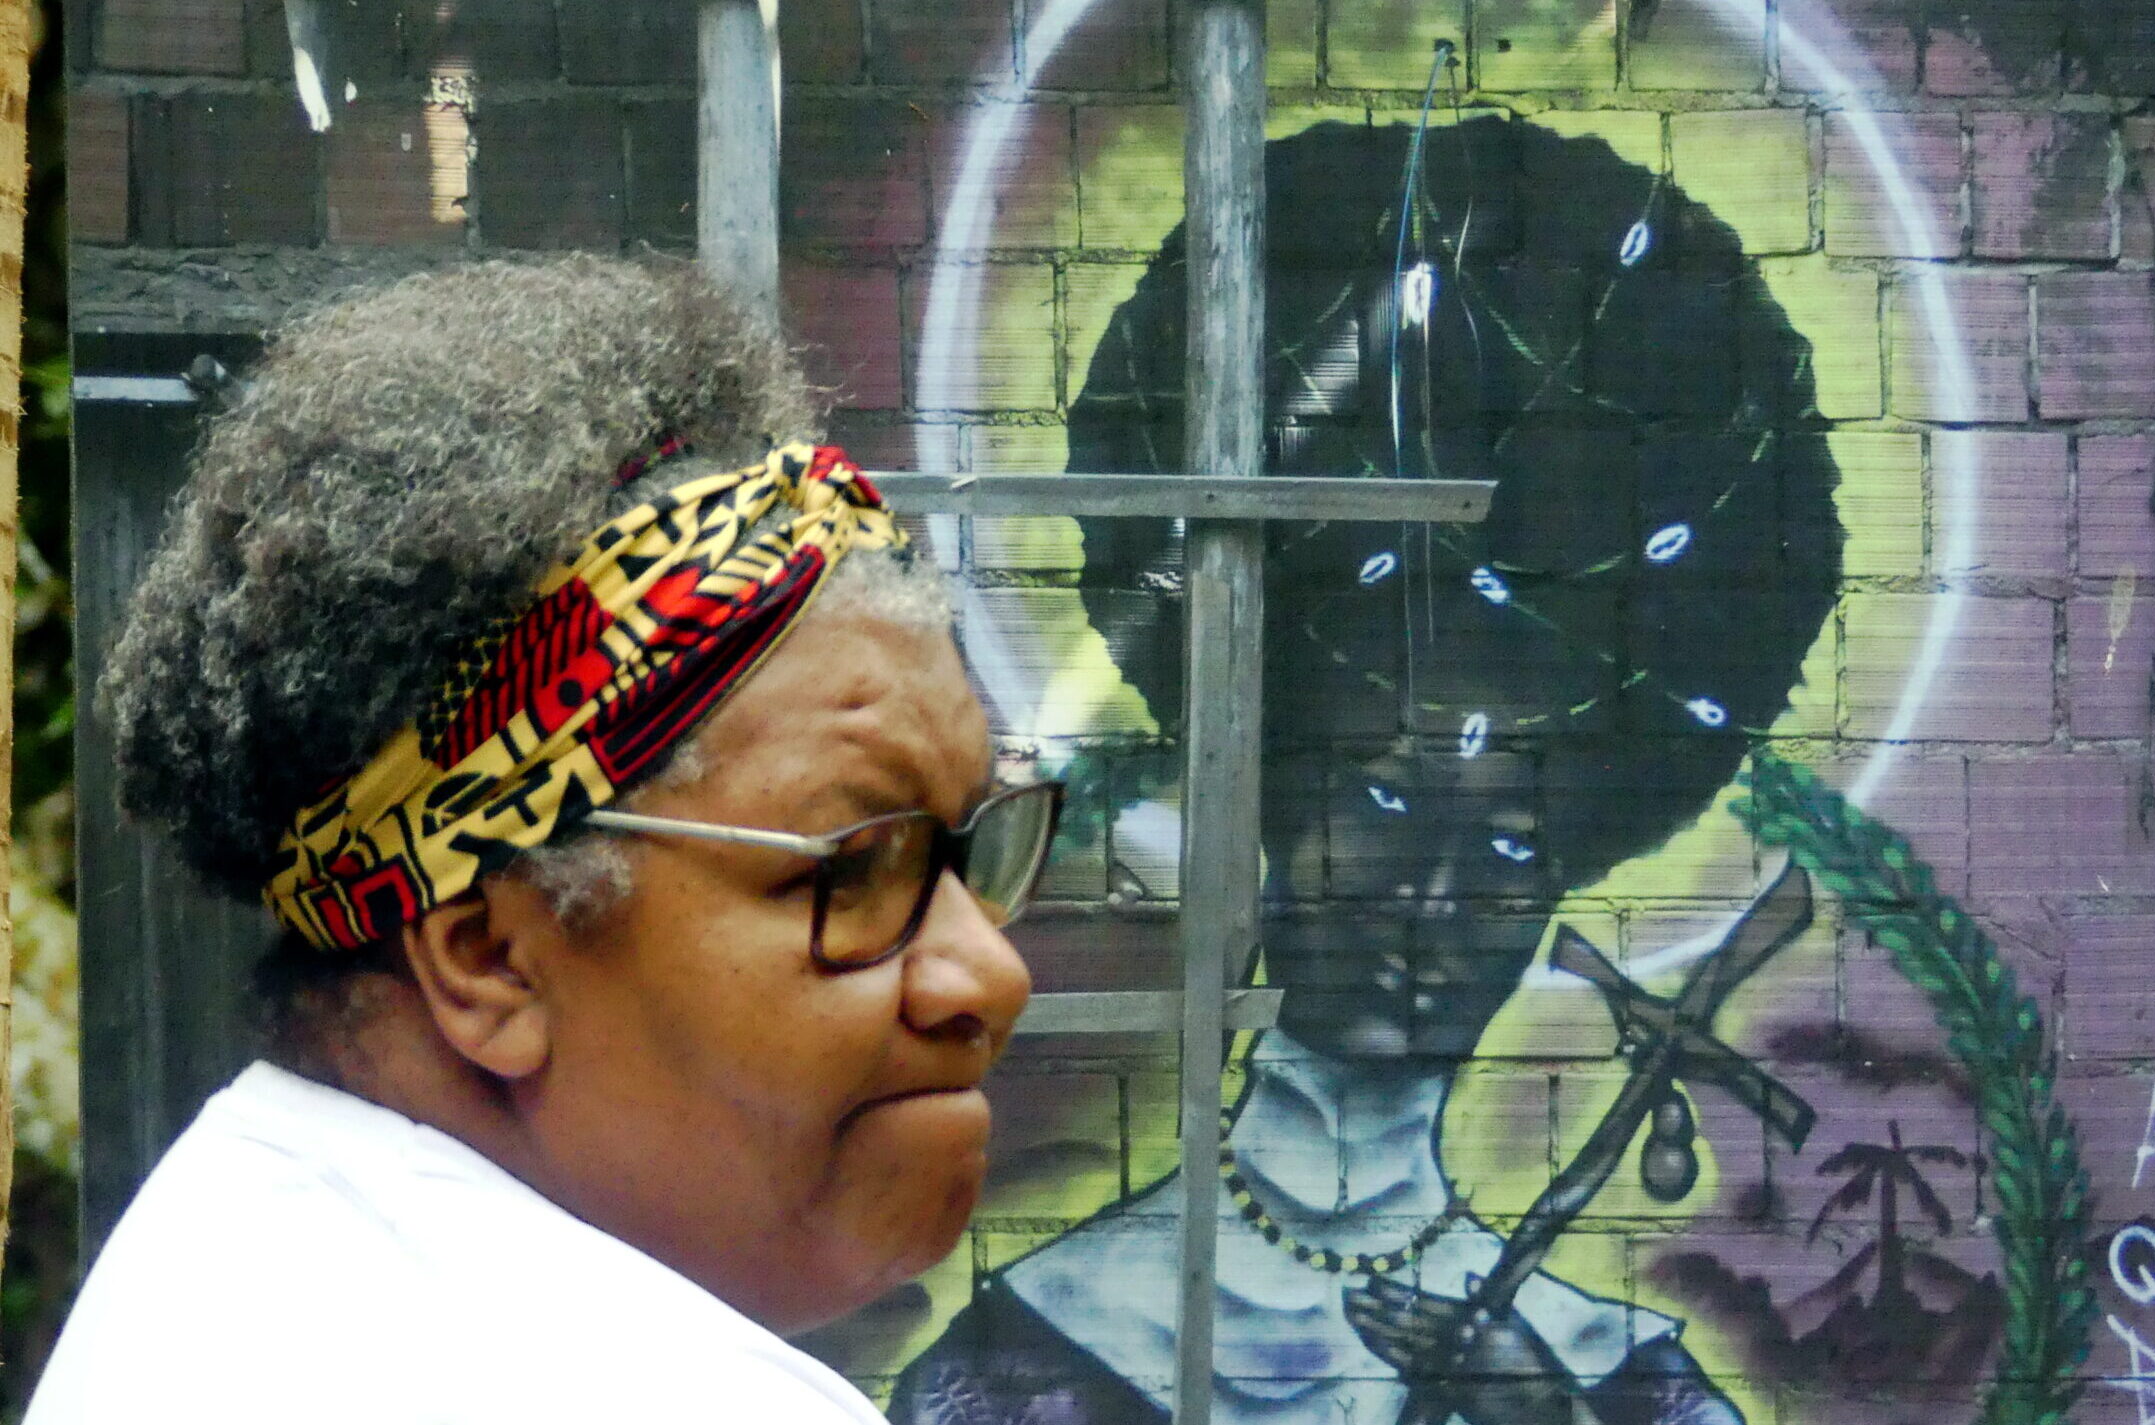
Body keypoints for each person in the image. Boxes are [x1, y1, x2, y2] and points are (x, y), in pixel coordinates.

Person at [892, 119, 1842, 1425]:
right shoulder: (1039, 1361)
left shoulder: (1616, 1384)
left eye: (1513, 849)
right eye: (1385, 798)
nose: (1434, 900)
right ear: (1271, 803)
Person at [32, 256, 1052, 1424]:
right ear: (488, 956)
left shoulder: (229, 1248)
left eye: (971, 850)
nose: (992, 975)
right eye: (855, 867)